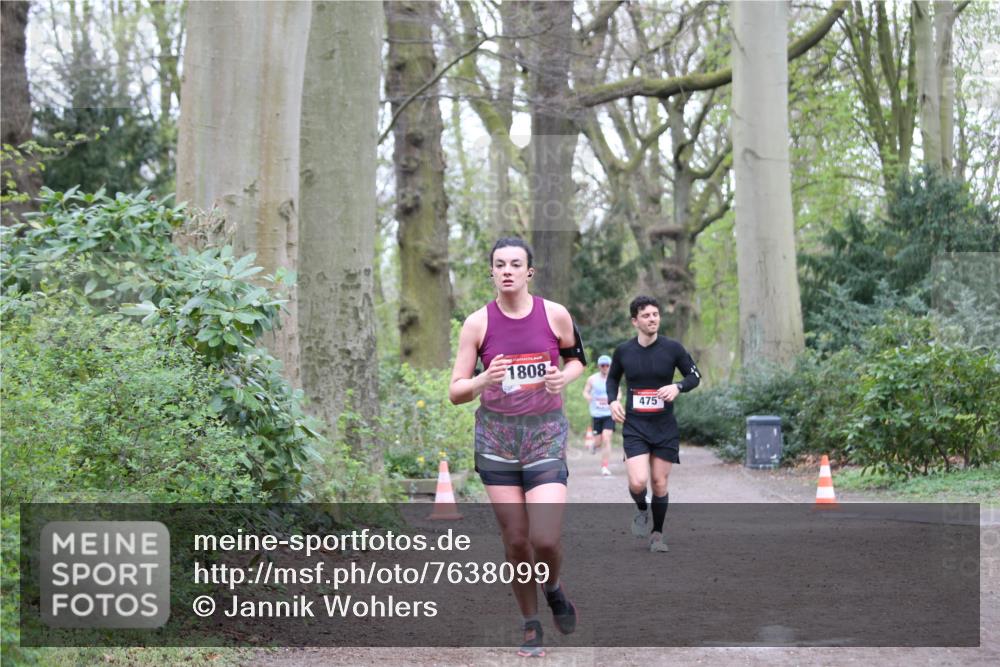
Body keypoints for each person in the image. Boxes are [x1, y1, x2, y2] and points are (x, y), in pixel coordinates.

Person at [449, 237, 585, 657]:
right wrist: (481, 381)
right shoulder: (477, 324)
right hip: (497, 440)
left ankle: (554, 587)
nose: (507, 270)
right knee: (516, 540)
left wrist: (566, 377)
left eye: (515, 264)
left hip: (544, 433)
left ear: (529, 272)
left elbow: (576, 357)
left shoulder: (555, 314)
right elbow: (456, 391)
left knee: (544, 539)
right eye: (499, 264)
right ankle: (530, 624)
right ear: (491, 272)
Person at [605, 296, 701, 553]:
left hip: (664, 427)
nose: (653, 319)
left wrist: (678, 386)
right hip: (635, 426)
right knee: (638, 482)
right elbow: (613, 379)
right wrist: (612, 401)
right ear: (635, 321)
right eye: (646, 315)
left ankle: (657, 534)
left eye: (656, 314)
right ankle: (640, 508)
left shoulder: (673, 349)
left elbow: (695, 376)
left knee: (659, 483)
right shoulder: (624, 351)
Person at [582, 354, 619, 476]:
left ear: (610, 366)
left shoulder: (614, 379)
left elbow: (619, 393)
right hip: (597, 414)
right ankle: (593, 445)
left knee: (607, 438)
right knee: (598, 442)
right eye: (602, 365)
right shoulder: (592, 379)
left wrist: (615, 400)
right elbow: (585, 391)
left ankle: (605, 466)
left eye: (607, 365)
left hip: (609, 413)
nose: (605, 367)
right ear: (599, 366)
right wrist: (588, 397)